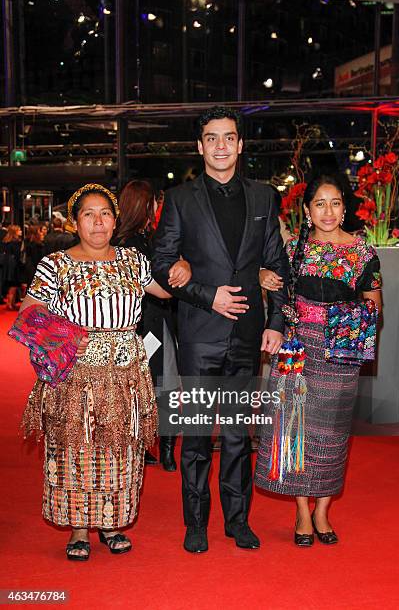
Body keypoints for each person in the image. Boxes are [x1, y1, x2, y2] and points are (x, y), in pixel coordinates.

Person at [152, 105, 289, 553]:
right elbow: (162, 263)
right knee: (196, 436)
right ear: (200, 145)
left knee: (236, 435)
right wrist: (207, 294)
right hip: (198, 333)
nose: (221, 146)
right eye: (212, 138)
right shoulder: (179, 199)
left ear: (240, 144)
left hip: (248, 336)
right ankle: (195, 522)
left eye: (229, 137)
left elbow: (277, 264)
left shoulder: (265, 196)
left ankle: (237, 520)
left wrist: (275, 323)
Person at [17, 183, 179, 561]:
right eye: (88, 214)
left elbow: (168, 291)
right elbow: (27, 313)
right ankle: (78, 529)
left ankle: (111, 523)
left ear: (115, 219)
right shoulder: (55, 264)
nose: (98, 222)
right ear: (75, 222)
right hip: (76, 377)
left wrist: (183, 263)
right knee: (78, 448)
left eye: (105, 214)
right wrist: (68, 338)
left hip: (126, 375)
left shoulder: (133, 261)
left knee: (120, 449)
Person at [255, 173, 382, 547]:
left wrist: (340, 320)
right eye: (320, 203)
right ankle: (300, 511)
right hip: (298, 352)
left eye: (335, 203)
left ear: (344, 209)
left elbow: (375, 306)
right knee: (296, 431)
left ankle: (322, 511)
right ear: (308, 211)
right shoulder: (294, 249)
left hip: (340, 354)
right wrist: (263, 276)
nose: (328, 211)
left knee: (332, 436)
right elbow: (275, 293)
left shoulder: (362, 253)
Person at [115, 179, 191, 471]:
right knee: (165, 386)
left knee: (142, 388)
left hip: (137, 327)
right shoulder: (142, 243)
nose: (159, 208)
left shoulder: (123, 242)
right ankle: (164, 449)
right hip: (151, 325)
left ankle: (148, 446)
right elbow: (163, 286)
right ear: (145, 206)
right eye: (155, 203)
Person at [1, 224, 24, 309]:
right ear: (15, 232)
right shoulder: (15, 242)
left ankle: (11, 303)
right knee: (13, 286)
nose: (21, 231)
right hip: (14, 266)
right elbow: (18, 255)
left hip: (8, 266)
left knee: (11, 285)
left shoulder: (7, 241)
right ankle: (10, 304)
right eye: (19, 230)